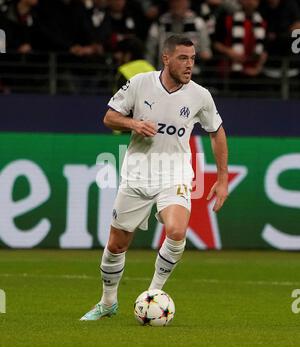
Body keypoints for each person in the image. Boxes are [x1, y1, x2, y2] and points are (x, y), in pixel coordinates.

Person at [80, 35, 228, 321]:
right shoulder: (140, 84)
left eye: (193, 58)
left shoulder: (200, 95)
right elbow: (109, 118)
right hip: (137, 174)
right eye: (183, 58)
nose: (189, 65)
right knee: (116, 245)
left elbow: (217, 132)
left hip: (175, 173)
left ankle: (152, 295)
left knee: (176, 230)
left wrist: (222, 179)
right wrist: (133, 123)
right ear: (166, 58)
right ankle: (108, 302)